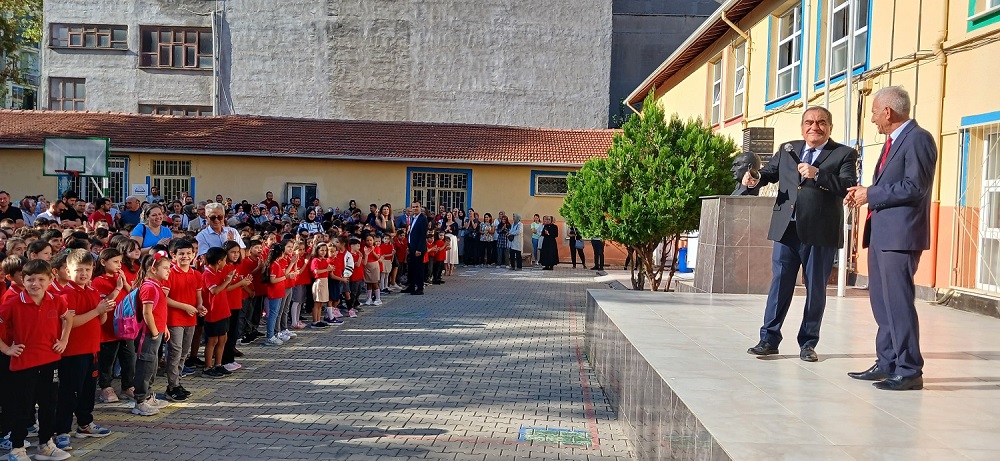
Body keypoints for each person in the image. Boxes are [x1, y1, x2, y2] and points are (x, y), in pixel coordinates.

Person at [743, 106, 859, 362]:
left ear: (830, 126)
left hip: (820, 232)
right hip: (787, 229)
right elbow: (770, 174)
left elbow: (847, 187)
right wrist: (754, 178)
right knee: (780, 285)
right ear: (802, 126)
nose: (814, 127)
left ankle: (808, 343)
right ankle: (768, 339)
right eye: (809, 122)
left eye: (821, 122)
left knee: (815, 288)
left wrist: (819, 174)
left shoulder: (844, 153)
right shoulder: (788, 148)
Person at [844, 86, 937, 391]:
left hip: (901, 236)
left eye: (873, 111)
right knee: (882, 303)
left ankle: (909, 369)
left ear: (888, 111)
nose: (872, 119)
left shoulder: (918, 139)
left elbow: (915, 187)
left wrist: (870, 193)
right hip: (883, 234)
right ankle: (887, 363)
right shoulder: (893, 142)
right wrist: (864, 193)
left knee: (898, 303)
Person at [0, 259, 73, 461]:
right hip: (24, 362)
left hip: (50, 360)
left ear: (50, 279)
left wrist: (64, 340)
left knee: (49, 404)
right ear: (23, 279)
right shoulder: (13, 302)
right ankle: (17, 449)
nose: (35, 284)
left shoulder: (57, 300)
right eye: (30, 279)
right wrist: (7, 349)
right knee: (23, 406)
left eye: (41, 279)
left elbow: (68, 318)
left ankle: (45, 445)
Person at [55, 250, 114, 449]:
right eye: (78, 270)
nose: (83, 273)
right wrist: (97, 311)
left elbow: (101, 320)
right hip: (73, 352)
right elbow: (72, 322)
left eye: (87, 270)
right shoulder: (66, 294)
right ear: (67, 270)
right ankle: (62, 431)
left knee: (88, 390)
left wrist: (103, 310)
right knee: (69, 392)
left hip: (92, 349)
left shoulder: (92, 290)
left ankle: (84, 423)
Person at [163, 239, 204, 401]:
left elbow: (198, 296)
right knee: (175, 352)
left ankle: (176, 382)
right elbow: (164, 298)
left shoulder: (197, 274)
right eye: (181, 254)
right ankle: (172, 385)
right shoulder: (170, 273)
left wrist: (200, 307)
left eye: (189, 253)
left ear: (194, 255)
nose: (185, 257)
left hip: (191, 319)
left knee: (184, 353)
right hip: (174, 319)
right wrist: (185, 307)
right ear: (173, 255)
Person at [403, 201, 427, 295]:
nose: (415, 208)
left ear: (420, 207)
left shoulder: (422, 219)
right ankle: (411, 286)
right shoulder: (413, 218)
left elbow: (422, 236)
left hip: (418, 248)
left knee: (418, 268)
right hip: (412, 247)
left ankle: (420, 288)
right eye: (413, 207)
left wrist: (419, 249)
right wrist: (409, 246)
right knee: (411, 268)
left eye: (417, 207)